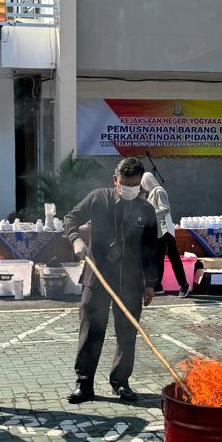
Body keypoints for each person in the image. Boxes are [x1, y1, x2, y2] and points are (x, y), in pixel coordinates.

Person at [65, 156, 159, 404]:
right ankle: (84, 383)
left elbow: (151, 249)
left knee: (127, 333)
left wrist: (150, 282)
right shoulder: (98, 198)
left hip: (129, 282)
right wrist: (76, 239)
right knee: (91, 330)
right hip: (97, 278)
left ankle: (121, 382)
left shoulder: (146, 209)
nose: (130, 188)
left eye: (135, 184)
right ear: (115, 180)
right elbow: (71, 219)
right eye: (125, 183)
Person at [141, 171, 189, 297]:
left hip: (165, 230)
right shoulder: (151, 194)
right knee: (159, 257)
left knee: (174, 258)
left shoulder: (158, 191)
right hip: (158, 231)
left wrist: (151, 214)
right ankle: (157, 285)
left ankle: (184, 285)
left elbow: (165, 208)